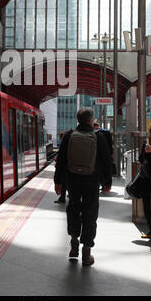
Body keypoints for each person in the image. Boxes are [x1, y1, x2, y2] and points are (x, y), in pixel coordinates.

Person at [54, 108, 112, 266]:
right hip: (92, 180)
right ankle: (87, 252)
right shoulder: (98, 136)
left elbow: (61, 160)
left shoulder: (69, 135)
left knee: (73, 207)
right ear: (91, 120)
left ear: (78, 120)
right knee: (90, 212)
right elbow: (107, 161)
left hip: (72, 179)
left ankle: (74, 241)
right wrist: (107, 183)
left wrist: (58, 181)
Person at [54, 131, 71, 204]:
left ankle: (62, 198)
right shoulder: (71, 141)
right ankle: (63, 197)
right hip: (70, 167)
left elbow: (61, 158)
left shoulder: (66, 142)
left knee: (64, 183)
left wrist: (57, 181)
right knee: (66, 183)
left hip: (65, 168)